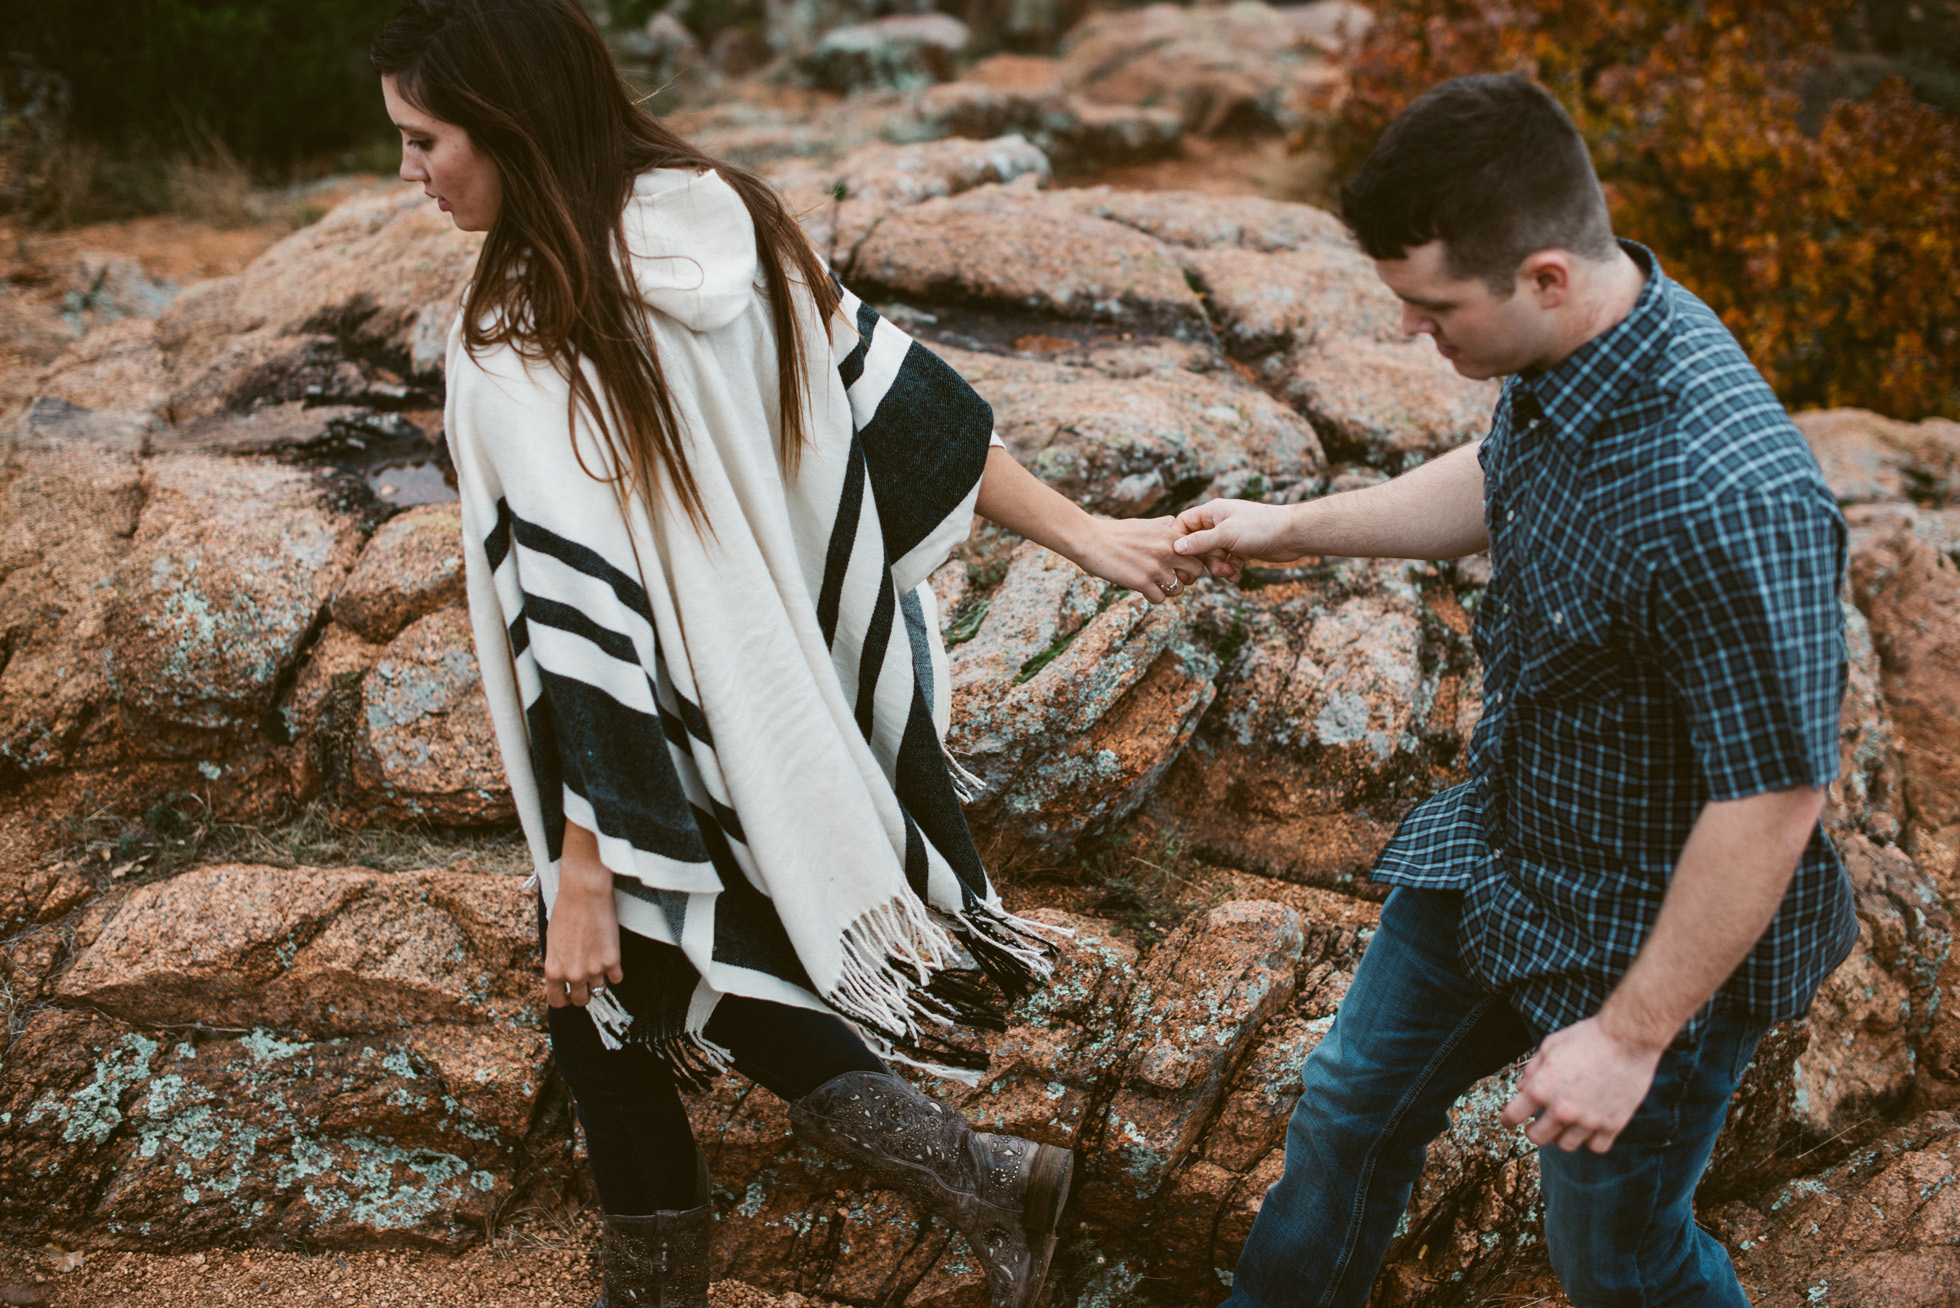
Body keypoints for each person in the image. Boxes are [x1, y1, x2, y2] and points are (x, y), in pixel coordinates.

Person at [370, 3, 1201, 1305]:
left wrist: (586, 863)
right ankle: (984, 1183)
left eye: (425, 141)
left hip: (638, 736)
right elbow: (900, 409)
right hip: (767, 692)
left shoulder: (524, 324)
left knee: (607, 984)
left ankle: (966, 1187)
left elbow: (584, 621)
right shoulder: (720, 219)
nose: (410, 173)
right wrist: (1083, 534)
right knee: (637, 988)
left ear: (512, 130)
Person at [1173, 73, 1855, 1308]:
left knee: (1616, 1260)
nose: (1407, 333)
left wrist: (1628, 1037)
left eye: (1430, 307)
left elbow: (1775, 797)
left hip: (1652, 929)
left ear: (1545, 275)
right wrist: (1288, 528)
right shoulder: (1577, 347)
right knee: (1343, 1113)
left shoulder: (1730, 490)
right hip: (1500, 854)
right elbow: (1497, 475)